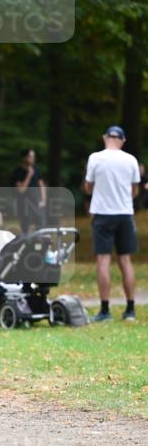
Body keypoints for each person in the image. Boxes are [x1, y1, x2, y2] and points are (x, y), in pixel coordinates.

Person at [84, 125, 141, 323]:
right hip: (125, 214)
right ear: (122, 141)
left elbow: (88, 187)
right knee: (125, 261)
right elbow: (135, 190)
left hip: (103, 215)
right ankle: (130, 309)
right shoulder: (131, 160)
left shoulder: (95, 158)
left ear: (104, 138)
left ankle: (105, 310)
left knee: (103, 261)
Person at [11, 148, 47, 234]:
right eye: (30, 157)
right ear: (24, 158)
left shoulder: (36, 169)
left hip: (37, 203)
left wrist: (43, 200)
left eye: (33, 157)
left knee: (41, 227)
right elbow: (21, 190)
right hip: (24, 205)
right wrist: (29, 175)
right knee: (26, 229)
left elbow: (42, 185)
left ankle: (40, 240)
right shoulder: (17, 172)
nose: (33, 159)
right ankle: (27, 241)